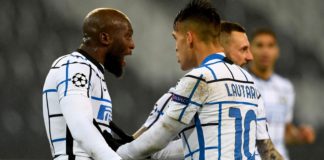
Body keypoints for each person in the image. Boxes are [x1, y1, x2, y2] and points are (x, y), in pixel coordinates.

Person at [108, 1, 273, 159]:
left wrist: (117, 154)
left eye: (175, 38)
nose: (175, 47)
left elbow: (161, 135)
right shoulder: (248, 80)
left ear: (189, 38)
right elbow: (258, 148)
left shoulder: (201, 78)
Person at [42, 8, 135, 160]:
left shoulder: (91, 71)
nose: (132, 45)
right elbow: (81, 128)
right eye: (128, 36)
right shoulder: (73, 66)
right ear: (105, 38)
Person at [249, 28, 316, 160]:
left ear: (277, 51)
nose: (265, 51)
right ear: (250, 49)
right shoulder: (243, 83)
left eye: (270, 45)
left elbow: (284, 132)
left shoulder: (285, 87)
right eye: (259, 45)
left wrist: (299, 136)